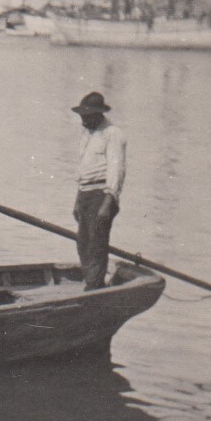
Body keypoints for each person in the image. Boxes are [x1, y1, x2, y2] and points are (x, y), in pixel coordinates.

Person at [71, 91, 126, 290]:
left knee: (96, 243)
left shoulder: (113, 134)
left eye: (86, 117)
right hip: (85, 194)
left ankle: (94, 287)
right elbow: (83, 171)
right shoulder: (87, 134)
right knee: (83, 243)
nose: (83, 121)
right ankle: (91, 282)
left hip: (101, 195)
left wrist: (108, 202)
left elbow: (116, 169)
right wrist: (77, 200)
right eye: (81, 117)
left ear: (97, 115)